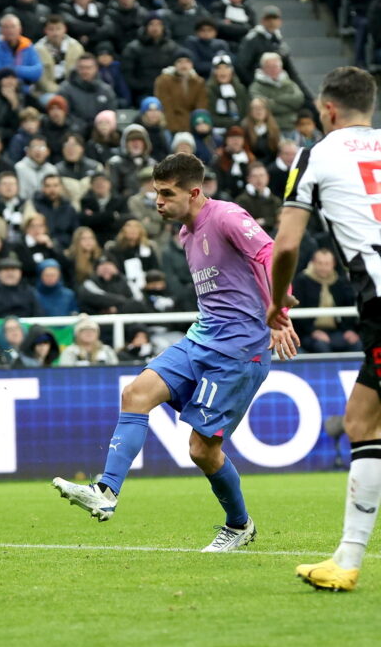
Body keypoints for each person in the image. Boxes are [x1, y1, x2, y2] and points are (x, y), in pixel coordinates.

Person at [54, 152, 299, 552]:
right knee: (135, 394)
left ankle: (239, 525)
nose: (158, 202)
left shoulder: (228, 217)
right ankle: (106, 491)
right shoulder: (185, 233)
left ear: (195, 192)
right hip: (201, 338)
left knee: (202, 450)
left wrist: (279, 310)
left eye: (167, 194)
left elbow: (268, 255)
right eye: (156, 193)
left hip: (239, 349)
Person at [267, 67, 381, 590]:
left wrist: (277, 302)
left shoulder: (316, 154)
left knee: (364, 426)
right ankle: (347, 559)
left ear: (327, 110)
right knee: (360, 420)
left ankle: (349, 562)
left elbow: (287, 244)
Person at [292, 248, 359, 354]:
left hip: (337, 331)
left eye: (327, 263)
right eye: (320, 263)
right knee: (321, 346)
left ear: (333, 264)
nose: (323, 267)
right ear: (313, 263)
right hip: (308, 333)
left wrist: (349, 330)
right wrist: (313, 331)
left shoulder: (341, 283)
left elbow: (349, 306)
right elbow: (296, 309)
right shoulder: (301, 282)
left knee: (356, 343)